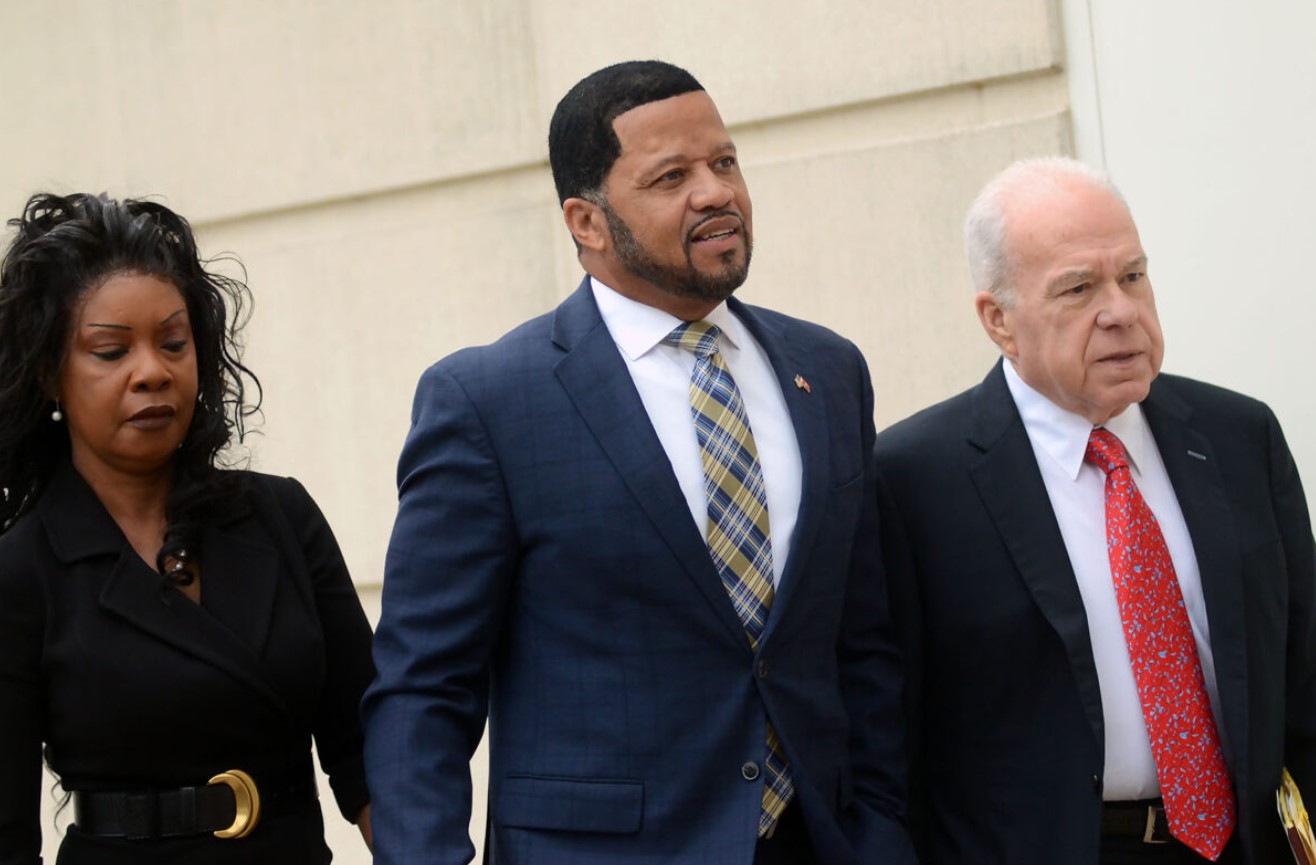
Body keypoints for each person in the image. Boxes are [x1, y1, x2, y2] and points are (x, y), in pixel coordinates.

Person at [362, 60, 915, 865]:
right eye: (671, 177)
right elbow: (423, 689)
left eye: (724, 162)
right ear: (587, 221)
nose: (716, 192)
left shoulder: (827, 370)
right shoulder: (489, 402)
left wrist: (882, 830)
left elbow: (862, 643)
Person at [873, 156, 1316, 864]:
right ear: (998, 320)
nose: (1121, 311)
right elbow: (889, 743)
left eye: (1133, 276)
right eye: (1079, 288)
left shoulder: (1240, 437)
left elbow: (1302, 674)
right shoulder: (913, 478)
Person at [0, 192, 376, 864]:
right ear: (49, 373)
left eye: (173, 343)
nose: (152, 371)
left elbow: (367, 750)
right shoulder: (21, 569)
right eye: (111, 351)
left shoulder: (281, 516)